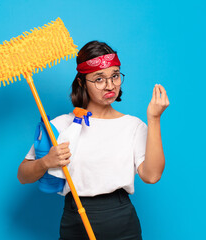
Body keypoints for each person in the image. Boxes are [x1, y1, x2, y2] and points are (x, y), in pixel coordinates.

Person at [17, 41, 169, 240]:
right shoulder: (60, 126)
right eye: (99, 79)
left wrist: (154, 119)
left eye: (115, 75)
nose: (110, 85)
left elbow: (151, 176)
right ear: (81, 82)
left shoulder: (133, 126)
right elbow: (23, 175)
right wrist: (46, 162)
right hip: (75, 219)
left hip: (121, 219)